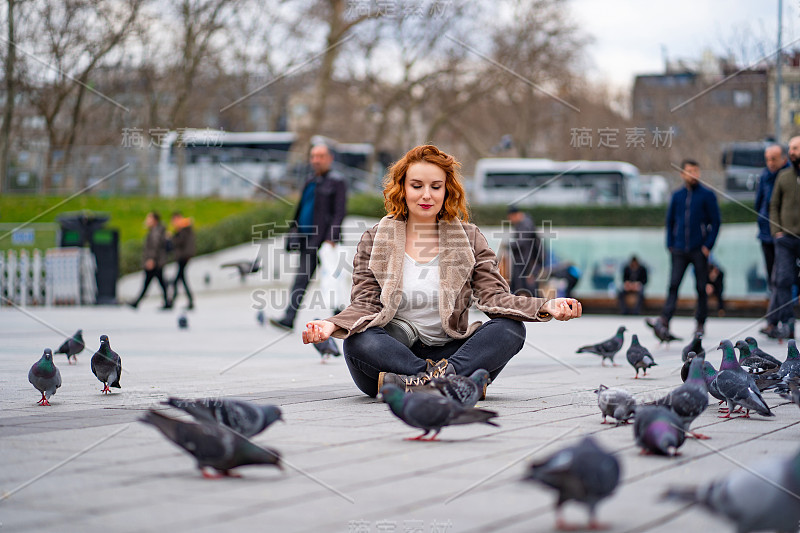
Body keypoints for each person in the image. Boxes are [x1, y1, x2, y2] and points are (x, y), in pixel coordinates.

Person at [300, 145, 582, 398]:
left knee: (511, 329)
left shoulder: (470, 238)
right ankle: (452, 382)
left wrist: (546, 305)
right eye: (416, 185)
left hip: (453, 351)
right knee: (359, 339)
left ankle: (422, 381)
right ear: (402, 188)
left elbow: (494, 297)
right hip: (393, 353)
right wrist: (331, 324)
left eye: (436, 186)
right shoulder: (375, 238)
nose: (426, 195)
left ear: (447, 190)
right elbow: (365, 304)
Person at [270, 143, 347, 331]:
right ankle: (289, 319)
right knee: (300, 280)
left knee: (332, 279)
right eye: (313, 156)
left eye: (320, 156)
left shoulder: (337, 181)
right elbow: (301, 208)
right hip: (307, 240)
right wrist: (293, 231)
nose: (316, 160)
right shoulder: (310, 180)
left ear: (330, 158)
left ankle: (343, 320)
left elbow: (339, 212)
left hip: (325, 242)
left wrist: (331, 238)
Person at [647, 159, 720, 336]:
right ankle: (664, 320)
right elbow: (670, 221)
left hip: (698, 250)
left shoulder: (707, 195)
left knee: (701, 287)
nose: (692, 174)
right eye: (689, 171)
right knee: (673, 285)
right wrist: (670, 245)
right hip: (679, 249)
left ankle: (700, 323)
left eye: (695, 171)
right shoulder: (677, 195)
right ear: (682, 173)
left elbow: (715, 222)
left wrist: (707, 245)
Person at [755, 144, 788, 336]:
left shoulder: (787, 176)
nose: (770, 163)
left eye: (774, 158)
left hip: (783, 235)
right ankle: (774, 321)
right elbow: (760, 202)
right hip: (766, 234)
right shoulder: (764, 176)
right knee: (772, 279)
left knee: (780, 279)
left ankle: (778, 320)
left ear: (783, 159)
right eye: (767, 159)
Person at [769, 135, 800, 340]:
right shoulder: (783, 176)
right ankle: (787, 323)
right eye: (790, 148)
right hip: (786, 239)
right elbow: (773, 205)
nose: (791, 151)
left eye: (796, 148)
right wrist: (776, 231)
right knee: (782, 280)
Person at [129, 211, 170, 309]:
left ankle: (137, 302)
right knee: (159, 282)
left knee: (149, 283)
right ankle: (167, 302)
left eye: (149, 218)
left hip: (155, 262)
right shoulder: (156, 230)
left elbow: (154, 247)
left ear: (155, 220)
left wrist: (151, 259)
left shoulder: (156, 232)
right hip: (158, 261)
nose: (147, 220)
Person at [506, 205, 542, 296]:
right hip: (526, 262)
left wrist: (509, 245)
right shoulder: (525, 223)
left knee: (527, 288)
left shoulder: (525, 224)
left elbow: (522, 243)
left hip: (528, 263)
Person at [168, 211, 196, 310]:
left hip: (183, 257)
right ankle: (189, 301)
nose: (173, 222)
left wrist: (171, 237)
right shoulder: (184, 228)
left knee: (178, 279)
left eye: (174, 220)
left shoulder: (184, 228)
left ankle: (171, 301)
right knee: (181, 279)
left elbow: (180, 242)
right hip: (183, 257)